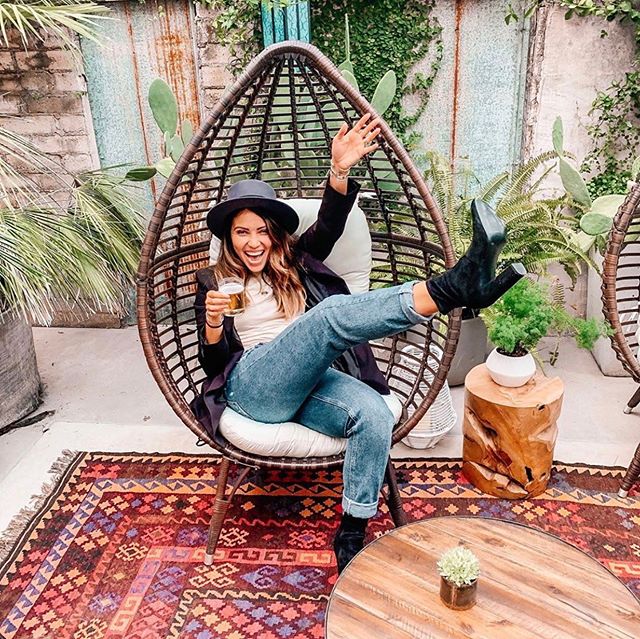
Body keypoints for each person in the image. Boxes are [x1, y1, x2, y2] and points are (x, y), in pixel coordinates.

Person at [191, 114, 525, 573]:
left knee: (372, 413)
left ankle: (351, 533)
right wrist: (212, 324)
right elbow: (213, 365)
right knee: (328, 316)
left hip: (309, 381)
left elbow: (329, 224)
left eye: (262, 231)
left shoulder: (297, 262)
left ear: (275, 235)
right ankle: (454, 289)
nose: (253, 242)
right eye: (242, 231)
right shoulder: (213, 281)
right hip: (254, 387)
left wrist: (339, 170)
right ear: (229, 236)